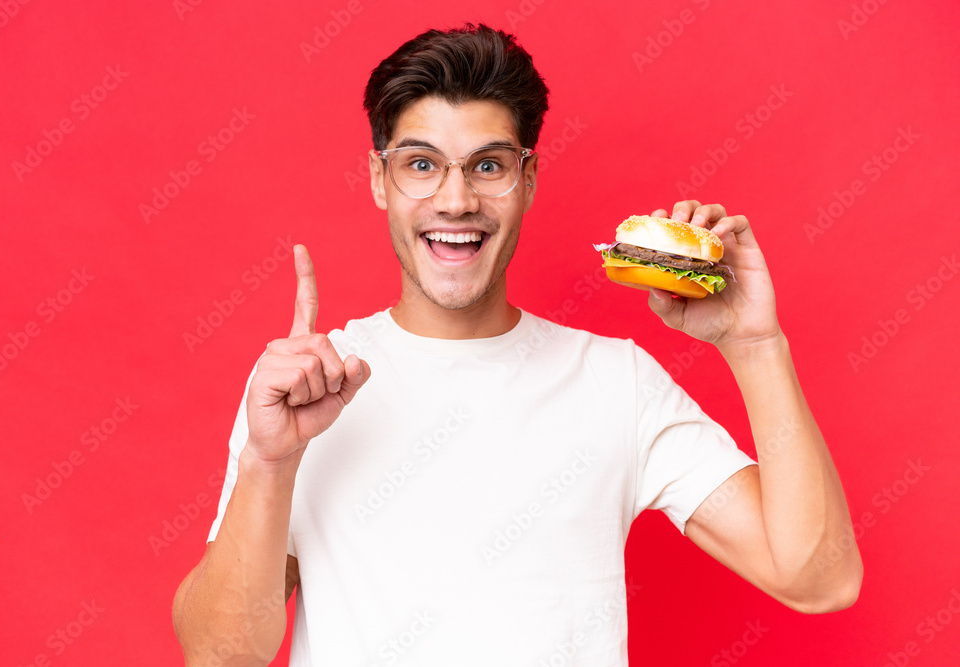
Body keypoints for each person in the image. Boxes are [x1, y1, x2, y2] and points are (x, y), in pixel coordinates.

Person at [172, 23, 862, 667]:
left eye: (488, 166)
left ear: (526, 180)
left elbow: (819, 578)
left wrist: (756, 343)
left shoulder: (616, 382)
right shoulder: (306, 390)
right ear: (380, 180)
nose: (455, 199)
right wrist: (269, 460)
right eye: (421, 164)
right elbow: (219, 654)